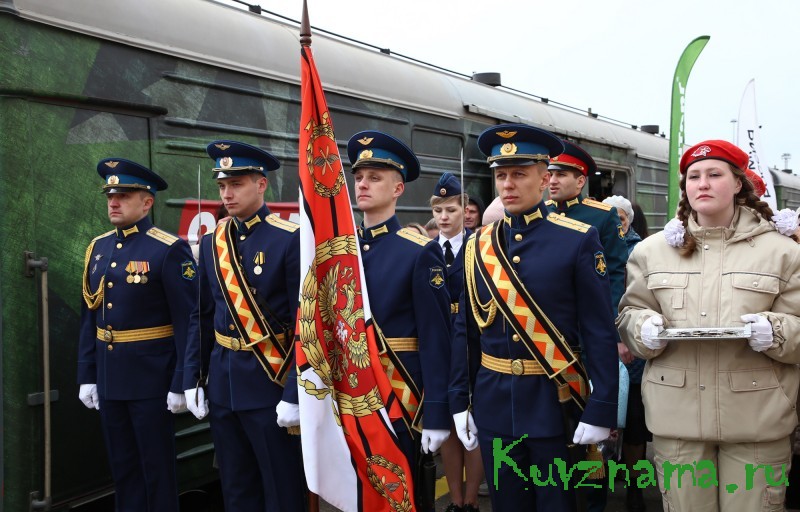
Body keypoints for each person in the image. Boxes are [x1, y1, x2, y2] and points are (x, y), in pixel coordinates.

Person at [617, 139, 800, 511]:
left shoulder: (783, 252)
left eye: (715, 175)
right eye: (694, 176)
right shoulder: (651, 252)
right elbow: (629, 314)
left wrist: (776, 331)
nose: (702, 183)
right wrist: (642, 329)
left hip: (758, 422)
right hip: (677, 419)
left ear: (737, 183)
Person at [450, 123, 619, 511]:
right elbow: (466, 331)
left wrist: (601, 408)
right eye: (501, 175)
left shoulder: (577, 239)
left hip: (554, 405)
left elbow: (598, 331)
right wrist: (460, 399)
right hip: (494, 404)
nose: (508, 184)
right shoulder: (477, 245)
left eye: (519, 174)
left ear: (544, 179)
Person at [183, 140, 305, 511]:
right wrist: (192, 375)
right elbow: (201, 315)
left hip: (270, 385)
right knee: (236, 490)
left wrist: (294, 394)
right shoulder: (212, 243)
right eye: (222, 186)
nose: (227, 193)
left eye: (236, 184)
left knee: (281, 490)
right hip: (223, 384)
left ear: (261, 184)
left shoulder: (289, 239)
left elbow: (305, 324)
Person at [78, 158, 197, 511]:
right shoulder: (98, 248)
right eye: (110, 195)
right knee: (123, 468)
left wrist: (181, 382)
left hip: (152, 382)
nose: (113, 202)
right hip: (110, 378)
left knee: (156, 470)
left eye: (124, 195)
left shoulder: (167, 249)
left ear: (147, 202)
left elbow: (188, 321)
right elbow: (91, 316)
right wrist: (87, 374)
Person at [347, 130, 453, 510]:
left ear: (397, 189)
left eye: (375, 178)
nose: (363, 184)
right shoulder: (342, 250)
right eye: (359, 177)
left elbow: (437, 338)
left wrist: (437, 413)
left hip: (399, 394)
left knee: (399, 498)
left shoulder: (418, 252)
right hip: (350, 392)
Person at [430, 172, 484, 512]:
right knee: (447, 424)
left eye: (451, 209)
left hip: (472, 348)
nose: (444, 217)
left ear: (465, 210)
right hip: (440, 346)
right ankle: (454, 497)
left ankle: (471, 499)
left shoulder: (477, 249)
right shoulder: (426, 250)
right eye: (438, 211)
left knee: (472, 423)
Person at [602, 194, 650, 512]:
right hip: (597, 349)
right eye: (610, 218)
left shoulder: (640, 252)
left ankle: (635, 487)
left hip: (630, 351)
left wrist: (625, 338)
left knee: (634, 423)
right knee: (598, 422)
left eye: (620, 217)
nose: (616, 223)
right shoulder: (589, 245)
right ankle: (598, 483)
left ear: (629, 220)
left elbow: (643, 301)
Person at [546, 140, 627, 310]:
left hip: (587, 313)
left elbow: (615, 272)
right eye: (550, 174)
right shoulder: (539, 213)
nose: (552, 181)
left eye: (561, 175)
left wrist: (609, 319)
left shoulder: (604, 216)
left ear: (581, 181)